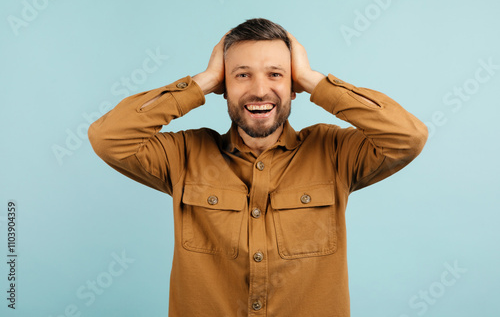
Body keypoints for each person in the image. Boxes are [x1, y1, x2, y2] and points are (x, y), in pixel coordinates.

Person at [88, 18, 428, 317]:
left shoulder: (336, 153)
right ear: (224, 87)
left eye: (276, 74)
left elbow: (408, 136)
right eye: (242, 76)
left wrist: (313, 80)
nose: (260, 90)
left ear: (293, 86)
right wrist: (201, 82)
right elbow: (108, 137)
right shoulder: (183, 155)